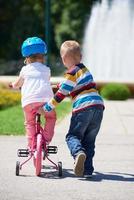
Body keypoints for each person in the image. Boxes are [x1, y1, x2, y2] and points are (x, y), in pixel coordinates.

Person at [42, 40, 104, 178]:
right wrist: (60, 85)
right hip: (98, 107)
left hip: (83, 107)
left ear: (63, 60)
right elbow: (70, 84)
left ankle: (78, 153)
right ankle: (87, 171)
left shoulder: (71, 72)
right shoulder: (84, 70)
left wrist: (47, 108)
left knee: (72, 136)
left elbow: (62, 94)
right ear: (80, 57)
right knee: (89, 140)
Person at [11, 36, 56, 149]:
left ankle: (32, 145)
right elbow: (45, 82)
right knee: (51, 118)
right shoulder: (47, 69)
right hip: (46, 101)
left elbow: (18, 84)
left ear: (26, 57)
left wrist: (13, 85)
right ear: (43, 56)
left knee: (30, 123)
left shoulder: (25, 70)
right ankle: (45, 140)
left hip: (29, 101)